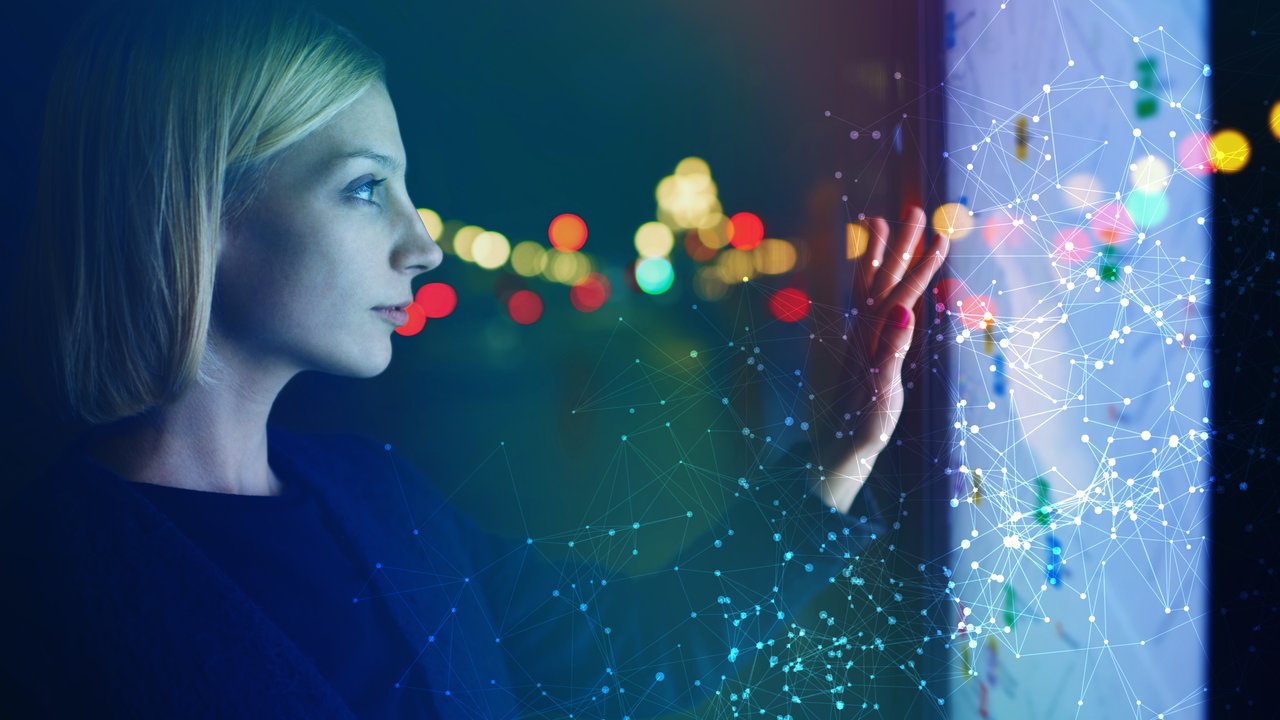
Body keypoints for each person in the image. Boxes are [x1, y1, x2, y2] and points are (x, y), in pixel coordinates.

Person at [0, 0, 949, 717]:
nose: (424, 244)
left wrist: (837, 452)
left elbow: (632, 653)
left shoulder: (380, 495)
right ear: (194, 210)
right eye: (365, 189)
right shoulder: (42, 598)